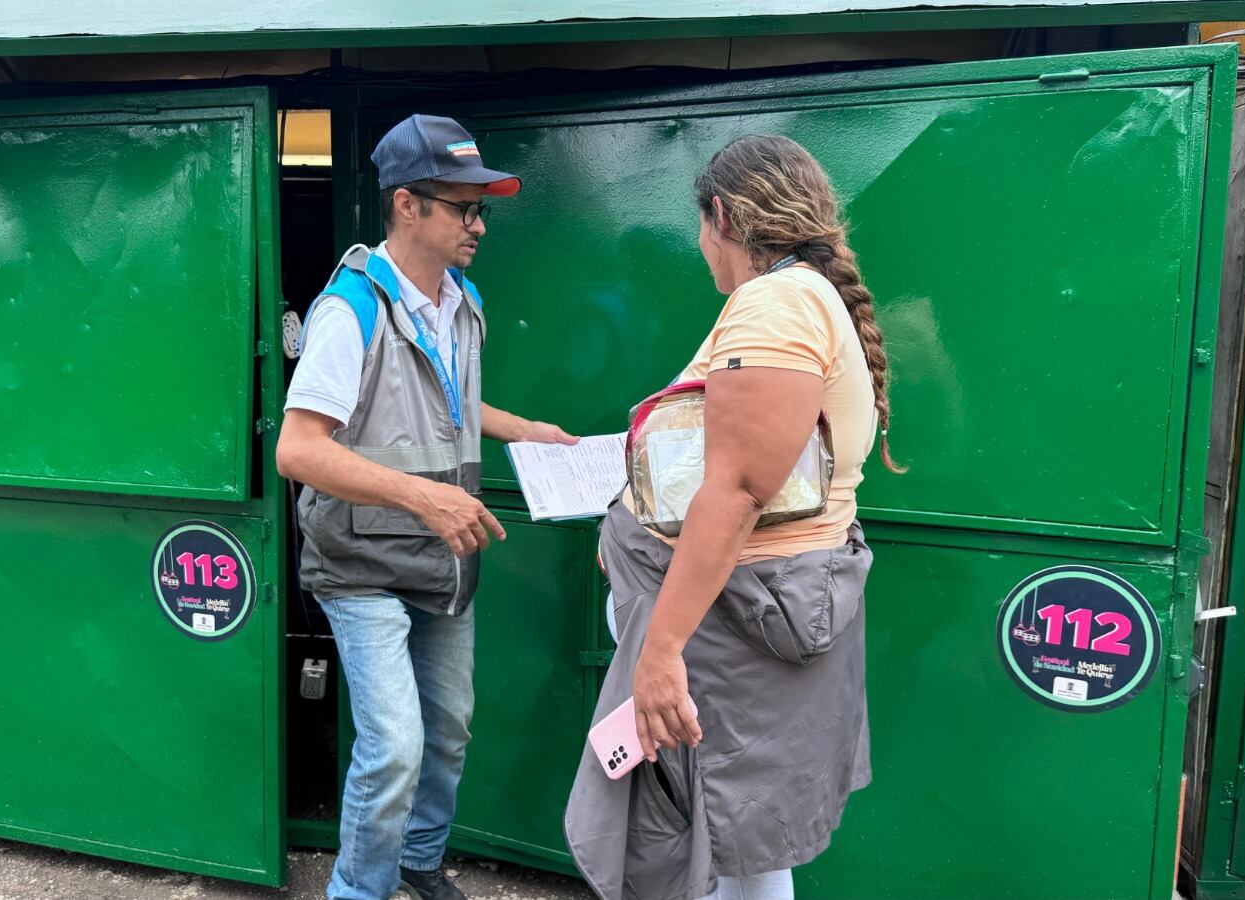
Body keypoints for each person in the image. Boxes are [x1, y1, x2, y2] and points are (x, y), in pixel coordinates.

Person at [565, 133, 904, 900]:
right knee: (739, 838)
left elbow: (739, 490)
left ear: (720, 214)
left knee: (716, 829)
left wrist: (661, 651)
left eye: (700, 226)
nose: (699, 246)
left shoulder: (776, 303)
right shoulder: (804, 297)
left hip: (725, 622)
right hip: (743, 611)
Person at [276, 114, 576, 900]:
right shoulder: (350, 309)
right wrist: (422, 496)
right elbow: (298, 451)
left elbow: (448, 401)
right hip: (361, 562)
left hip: (443, 561)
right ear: (407, 205)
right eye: (462, 207)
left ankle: (419, 857)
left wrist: (524, 430)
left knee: (446, 733)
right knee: (395, 745)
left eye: (482, 209)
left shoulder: (461, 298)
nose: (479, 224)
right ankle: (359, 890)